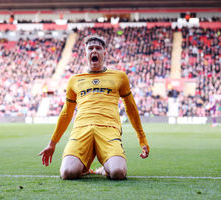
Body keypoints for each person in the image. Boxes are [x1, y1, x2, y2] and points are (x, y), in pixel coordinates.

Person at [39, 35, 150, 180]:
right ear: (85, 53)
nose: (94, 51)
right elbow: (66, 113)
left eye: (98, 48)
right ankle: (84, 167)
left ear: (105, 52)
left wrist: (142, 139)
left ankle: (105, 168)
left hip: (109, 130)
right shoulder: (74, 80)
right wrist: (52, 144)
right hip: (81, 130)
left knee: (118, 173)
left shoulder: (119, 77)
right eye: (90, 48)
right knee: (67, 173)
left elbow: (131, 108)